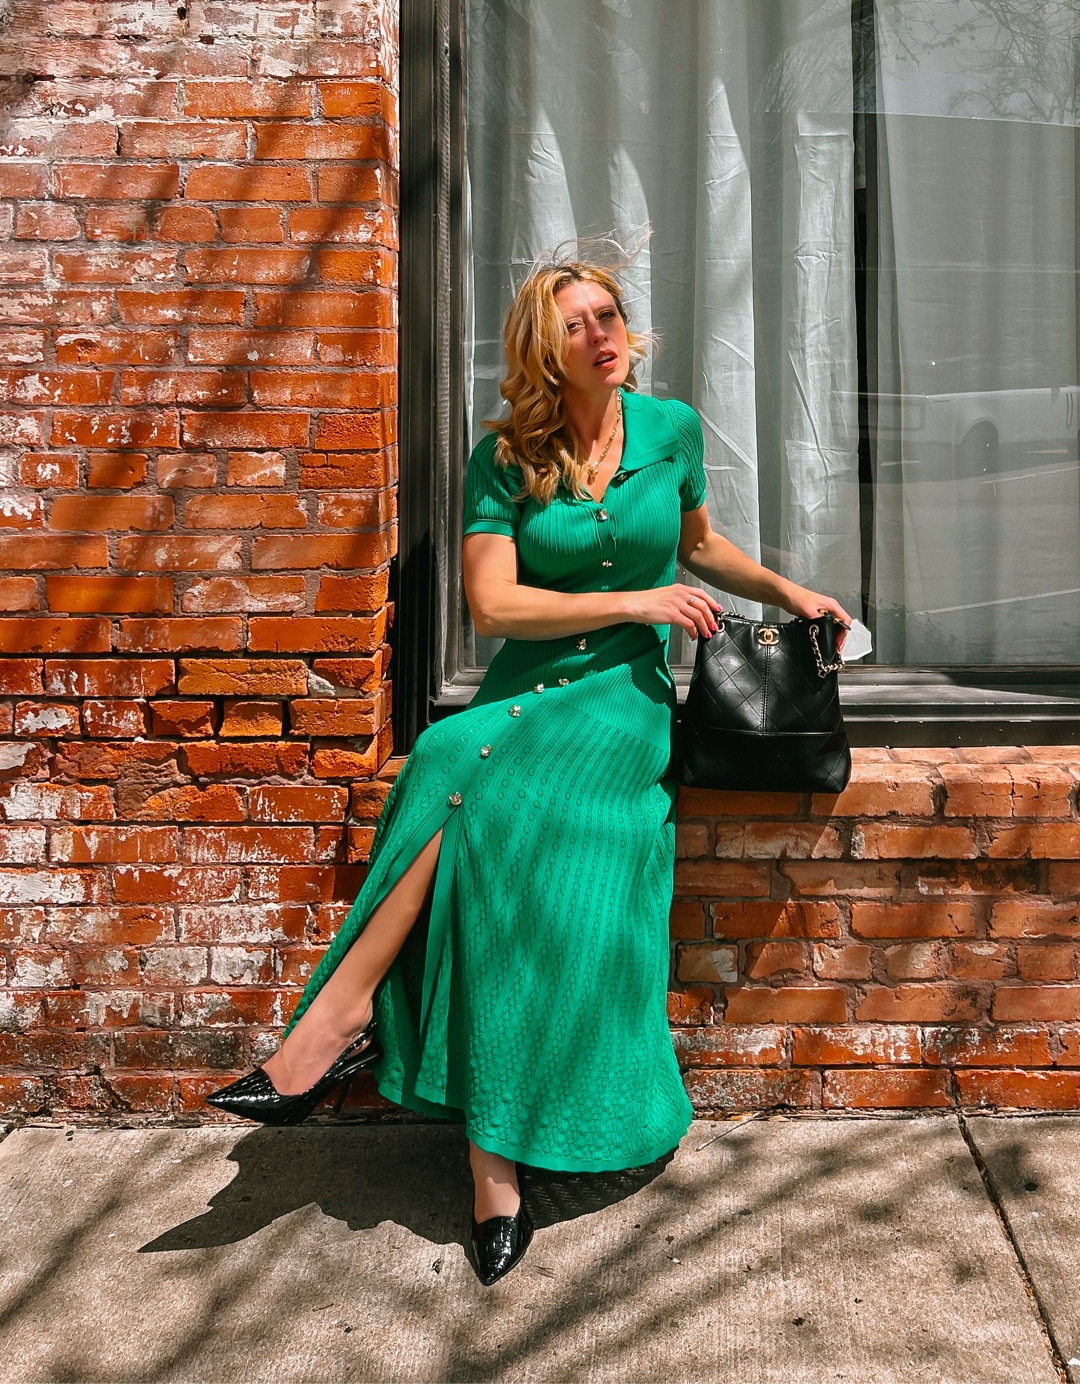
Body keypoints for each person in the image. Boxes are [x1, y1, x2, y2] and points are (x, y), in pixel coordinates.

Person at [207, 254, 851, 1285]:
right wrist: (636, 602)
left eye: (610, 315)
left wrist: (790, 588)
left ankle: (341, 1027)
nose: (601, 334)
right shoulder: (505, 455)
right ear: (543, 351)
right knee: (456, 761)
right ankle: (481, 1164)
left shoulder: (671, 430)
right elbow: (494, 609)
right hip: (532, 677)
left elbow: (701, 545)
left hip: (619, 703)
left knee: (491, 797)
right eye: (575, 325)